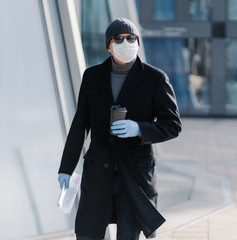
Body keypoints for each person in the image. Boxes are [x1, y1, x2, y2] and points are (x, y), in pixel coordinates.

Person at [58, 18, 182, 240]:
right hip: (98, 174)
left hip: (134, 176)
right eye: (119, 39)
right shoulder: (92, 76)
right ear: (109, 45)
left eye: (131, 38)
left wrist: (140, 129)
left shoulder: (155, 78)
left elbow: (172, 125)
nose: (126, 42)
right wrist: (66, 167)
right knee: (87, 234)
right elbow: (80, 124)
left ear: (138, 42)